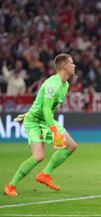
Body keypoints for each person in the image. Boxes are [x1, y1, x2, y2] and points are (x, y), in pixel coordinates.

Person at [4, 54, 77, 196]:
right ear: (64, 66)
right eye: (72, 63)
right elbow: (45, 108)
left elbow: (45, 107)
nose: (74, 66)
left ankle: (45, 174)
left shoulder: (65, 85)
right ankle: (10, 186)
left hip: (46, 120)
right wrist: (54, 130)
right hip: (35, 122)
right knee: (38, 156)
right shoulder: (52, 85)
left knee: (72, 146)